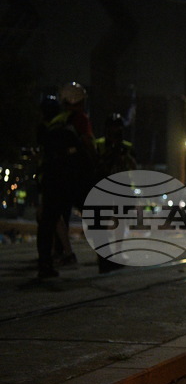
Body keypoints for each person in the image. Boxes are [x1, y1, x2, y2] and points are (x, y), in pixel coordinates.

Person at [36, 82, 96, 278]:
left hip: (53, 175)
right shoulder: (80, 118)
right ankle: (107, 257)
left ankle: (45, 263)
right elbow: (87, 143)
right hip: (73, 176)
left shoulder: (56, 121)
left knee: (49, 221)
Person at [94, 113, 137, 272]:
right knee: (103, 221)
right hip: (103, 186)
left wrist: (122, 153)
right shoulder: (99, 145)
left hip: (122, 186)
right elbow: (95, 162)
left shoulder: (126, 147)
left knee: (121, 220)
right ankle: (106, 253)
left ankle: (118, 251)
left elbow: (133, 167)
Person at [94, 113, 137, 177]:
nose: (114, 133)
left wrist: (125, 155)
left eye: (117, 130)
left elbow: (133, 168)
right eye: (111, 129)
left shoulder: (127, 147)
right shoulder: (98, 144)